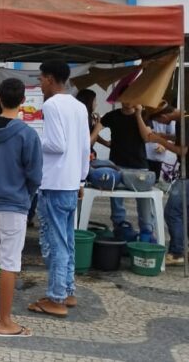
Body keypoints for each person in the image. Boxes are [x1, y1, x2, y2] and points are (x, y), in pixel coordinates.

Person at [0, 78, 42, 337]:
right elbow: (35, 175)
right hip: (14, 204)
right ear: (23, 101)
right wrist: (26, 194)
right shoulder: (27, 134)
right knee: (9, 263)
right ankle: (4, 321)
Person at [28, 61, 90, 318]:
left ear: (51, 79)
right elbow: (85, 147)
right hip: (71, 180)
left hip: (54, 182)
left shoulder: (52, 104)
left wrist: (33, 137)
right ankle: (67, 290)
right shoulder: (79, 106)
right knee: (67, 239)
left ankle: (56, 297)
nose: (40, 83)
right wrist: (82, 180)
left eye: (41, 79)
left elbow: (56, 144)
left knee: (56, 242)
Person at [92, 101, 154, 239]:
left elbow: (146, 138)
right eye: (125, 98)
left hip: (140, 165)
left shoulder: (143, 115)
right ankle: (120, 227)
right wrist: (97, 140)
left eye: (132, 98)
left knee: (144, 202)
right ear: (120, 99)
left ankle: (147, 231)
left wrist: (138, 115)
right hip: (117, 165)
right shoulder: (112, 115)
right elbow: (97, 128)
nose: (128, 102)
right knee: (116, 200)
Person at [75, 89, 109, 158]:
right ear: (89, 102)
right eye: (95, 101)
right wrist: (97, 129)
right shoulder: (83, 117)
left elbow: (91, 136)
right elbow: (87, 144)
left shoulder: (87, 116)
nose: (96, 104)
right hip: (84, 158)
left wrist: (106, 143)